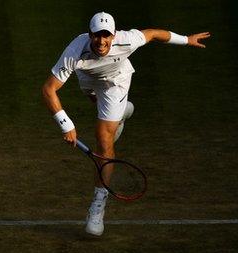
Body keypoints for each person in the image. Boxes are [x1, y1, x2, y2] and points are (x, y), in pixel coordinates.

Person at [42, 11, 210, 236]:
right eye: (96, 36)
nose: (101, 41)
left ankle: (97, 208)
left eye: (106, 36)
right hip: (89, 80)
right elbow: (48, 89)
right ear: (89, 34)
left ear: (113, 35)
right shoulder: (75, 51)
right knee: (95, 102)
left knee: (104, 141)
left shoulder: (128, 39)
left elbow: (153, 34)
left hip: (116, 82)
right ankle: (121, 112)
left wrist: (186, 39)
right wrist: (66, 124)